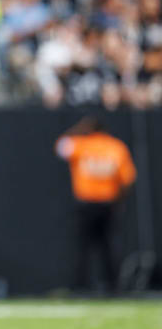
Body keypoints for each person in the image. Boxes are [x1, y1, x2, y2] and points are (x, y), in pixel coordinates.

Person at [56, 116, 136, 293]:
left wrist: (78, 129)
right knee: (109, 246)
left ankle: (79, 286)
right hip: (109, 202)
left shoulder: (81, 144)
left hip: (86, 203)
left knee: (82, 247)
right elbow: (127, 179)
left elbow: (61, 146)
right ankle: (113, 287)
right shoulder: (116, 147)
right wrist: (120, 200)